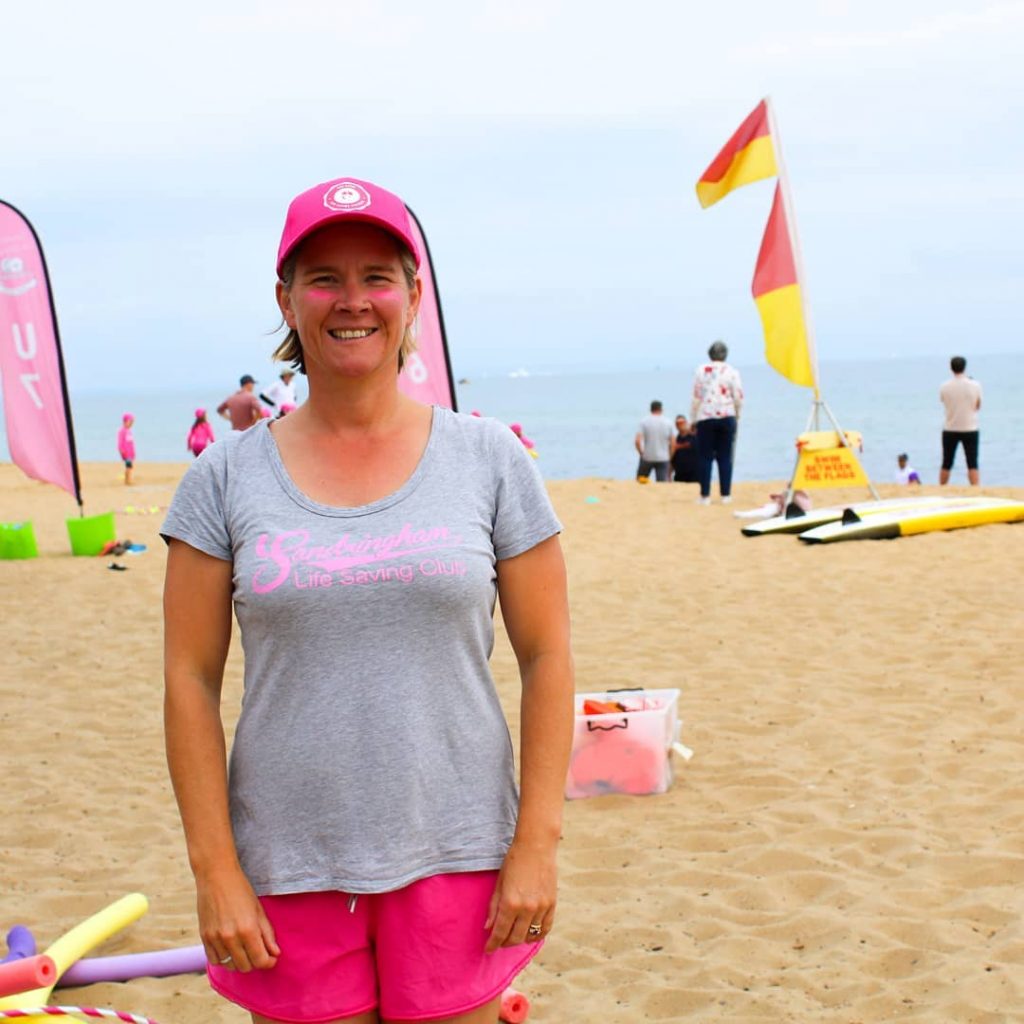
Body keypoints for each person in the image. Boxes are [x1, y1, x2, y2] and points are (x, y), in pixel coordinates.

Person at [162, 175, 574, 1024]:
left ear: (413, 295)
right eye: (324, 278)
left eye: (377, 276)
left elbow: (548, 655)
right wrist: (215, 872)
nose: (353, 301)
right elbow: (188, 680)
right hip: (288, 863)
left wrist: (536, 842)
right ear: (286, 298)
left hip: (460, 854)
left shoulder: (491, 459)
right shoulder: (223, 477)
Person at [691, 340, 743, 505]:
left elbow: (696, 396)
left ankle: (705, 495)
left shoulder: (701, 371)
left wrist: (693, 419)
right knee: (725, 456)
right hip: (727, 415)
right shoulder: (732, 372)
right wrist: (737, 414)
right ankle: (725, 494)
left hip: (706, 416)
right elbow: (738, 396)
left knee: (705, 457)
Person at [939, 355, 982, 486]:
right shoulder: (975, 385)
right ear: (964, 367)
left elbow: (943, 402)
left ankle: (942, 487)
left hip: (950, 427)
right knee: (972, 462)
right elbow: (977, 406)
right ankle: (975, 488)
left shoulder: (945, 386)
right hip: (970, 428)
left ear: (951, 368)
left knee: (947, 461)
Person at [634, 400, 674, 482]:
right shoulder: (668, 422)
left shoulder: (644, 422)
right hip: (663, 457)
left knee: (640, 481)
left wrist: (641, 453)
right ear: (661, 409)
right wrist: (670, 456)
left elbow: (637, 441)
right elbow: (673, 442)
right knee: (662, 483)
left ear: (650, 409)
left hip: (647, 456)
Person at [670, 415, 698, 483]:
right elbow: (672, 458)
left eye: (682, 422)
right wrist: (669, 474)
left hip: (695, 474)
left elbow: (691, 445)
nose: (680, 425)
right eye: (678, 423)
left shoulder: (694, 436)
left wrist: (677, 446)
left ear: (686, 423)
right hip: (680, 474)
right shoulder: (676, 439)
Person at [117, 413, 136, 485]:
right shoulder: (122, 431)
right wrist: (121, 450)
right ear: (125, 421)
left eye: (132, 422)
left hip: (130, 453)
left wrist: (133, 452)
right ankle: (127, 481)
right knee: (129, 467)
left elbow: (131, 443)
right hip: (126, 453)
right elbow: (120, 441)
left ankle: (128, 480)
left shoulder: (129, 431)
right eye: (130, 422)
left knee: (129, 467)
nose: (131, 424)